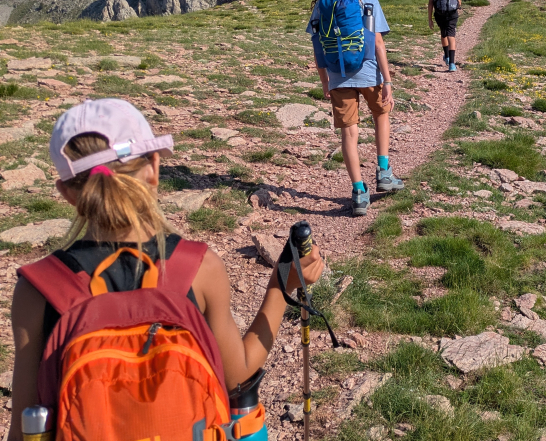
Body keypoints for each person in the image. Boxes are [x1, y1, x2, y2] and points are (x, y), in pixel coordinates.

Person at [9, 98, 325, 440]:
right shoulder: (197, 268)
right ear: (154, 168)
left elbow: (23, 426)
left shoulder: (39, 289)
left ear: (67, 193)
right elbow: (239, 374)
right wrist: (282, 285)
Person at [307, 0, 404, 217]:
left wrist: (325, 81)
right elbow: (380, 43)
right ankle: (384, 172)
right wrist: (387, 80)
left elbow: (317, 46)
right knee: (381, 114)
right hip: (369, 71)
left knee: (349, 133)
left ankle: (359, 192)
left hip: (338, 75)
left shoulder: (323, 3)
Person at [426, 0, 462, 72]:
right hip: (452, 13)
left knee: (443, 33)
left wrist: (430, 19)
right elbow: (459, 0)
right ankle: (452, 64)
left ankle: (446, 56)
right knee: (451, 35)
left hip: (440, 13)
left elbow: (430, 3)